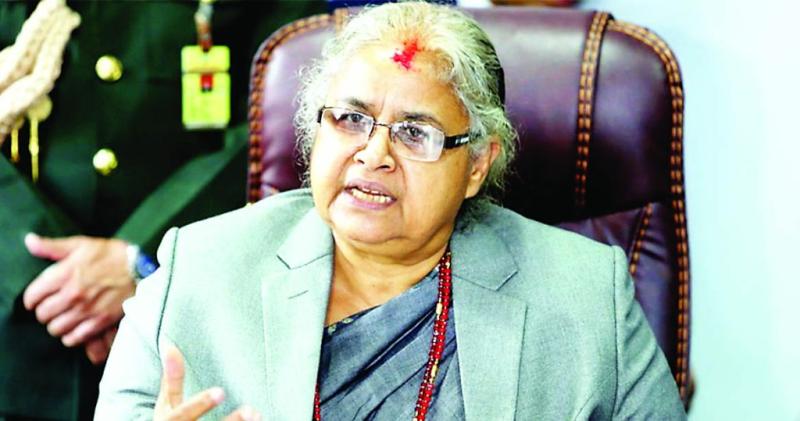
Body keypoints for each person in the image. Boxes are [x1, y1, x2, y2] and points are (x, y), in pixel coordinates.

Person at [95, 2, 686, 419]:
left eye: (415, 132)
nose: (373, 154)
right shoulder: (198, 269)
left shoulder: (586, 293)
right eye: (350, 119)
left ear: (476, 165)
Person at [0, 0, 324, 419]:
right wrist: (45, 275)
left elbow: (285, 114)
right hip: (21, 316)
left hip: (183, 325)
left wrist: (145, 258)